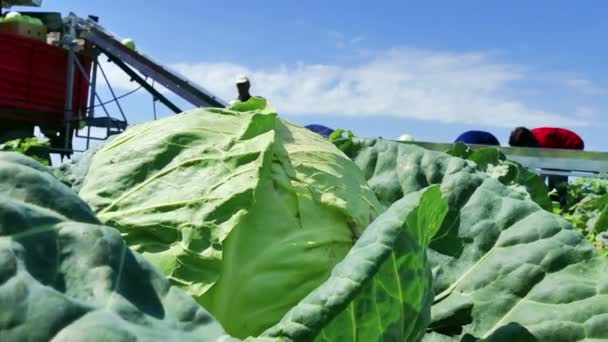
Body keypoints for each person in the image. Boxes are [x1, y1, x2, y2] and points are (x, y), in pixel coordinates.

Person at [509, 126, 585, 202]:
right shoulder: (529, 139)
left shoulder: (542, 142)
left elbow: (545, 165)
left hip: (572, 144)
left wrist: (539, 184)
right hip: (556, 148)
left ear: (526, 145)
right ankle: (554, 198)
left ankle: (560, 201)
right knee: (550, 173)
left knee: (556, 177)